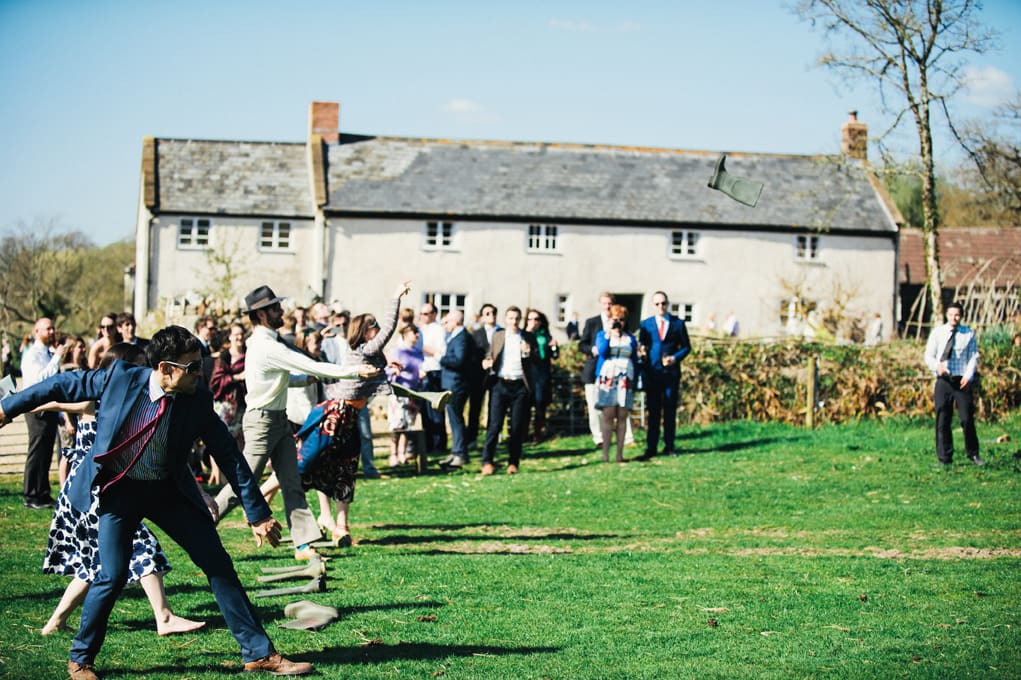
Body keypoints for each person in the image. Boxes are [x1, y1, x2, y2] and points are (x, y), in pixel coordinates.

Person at [0, 325, 312, 679]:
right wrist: (7, 408)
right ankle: (81, 660)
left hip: (168, 493)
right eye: (191, 367)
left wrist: (257, 513)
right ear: (165, 369)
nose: (200, 373)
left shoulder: (196, 399)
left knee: (217, 564)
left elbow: (228, 454)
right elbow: (58, 385)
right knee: (112, 575)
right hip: (120, 492)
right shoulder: (119, 377)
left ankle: (259, 653)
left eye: (200, 366)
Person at [38, 343, 206, 639]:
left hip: (110, 487)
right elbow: (55, 400)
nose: (144, 371)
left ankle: (55, 621)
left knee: (99, 564)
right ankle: (163, 617)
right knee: (141, 548)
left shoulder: (133, 399)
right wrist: (17, 404)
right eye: (139, 364)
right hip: (94, 490)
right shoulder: (99, 398)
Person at [214, 285, 377, 562]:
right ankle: (207, 516)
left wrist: (306, 380)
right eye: (276, 308)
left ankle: (303, 545)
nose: (282, 312)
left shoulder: (268, 342)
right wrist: (353, 372)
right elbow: (308, 364)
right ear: (262, 314)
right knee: (245, 480)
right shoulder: (266, 345)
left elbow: (284, 378)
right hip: (262, 422)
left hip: (278, 420)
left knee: (292, 482)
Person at [319, 281, 416, 544]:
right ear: (364, 331)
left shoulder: (370, 353)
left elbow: (377, 364)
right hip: (335, 414)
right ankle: (323, 516)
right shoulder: (365, 348)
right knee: (317, 465)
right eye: (372, 325)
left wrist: (388, 366)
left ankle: (342, 525)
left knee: (347, 469)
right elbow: (388, 331)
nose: (376, 329)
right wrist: (395, 297)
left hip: (349, 417)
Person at [923, 301, 984, 467]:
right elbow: (928, 355)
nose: (954, 318)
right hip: (944, 380)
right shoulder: (938, 333)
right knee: (943, 418)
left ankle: (973, 454)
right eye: (951, 314)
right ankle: (945, 457)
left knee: (966, 419)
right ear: (946, 315)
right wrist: (937, 366)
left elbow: (973, 356)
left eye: (957, 315)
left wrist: (968, 375)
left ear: (961, 316)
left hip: (961, 381)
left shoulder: (968, 333)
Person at [480, 306, 538, 475]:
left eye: (516, 319)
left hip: (520, 385)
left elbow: (536, 359)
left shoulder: (527, 337)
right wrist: (487, 362)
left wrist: (527, 353)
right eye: (511, 318)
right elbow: (489, 355)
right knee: (494, 425)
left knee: (517, 427)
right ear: (506, 319)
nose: (513, 322)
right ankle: (487, 461)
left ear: (520, 320)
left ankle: (513, 463)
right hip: (500, 384)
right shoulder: (498, 335)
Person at [21, 317, 72, 509]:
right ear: (36, 332)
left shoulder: (47, 353)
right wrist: (58, 358)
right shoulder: (32, 355)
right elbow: (39, 380)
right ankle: (31, 494)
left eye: (52, 328)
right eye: (47, 329)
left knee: (46, 450)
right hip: (36, 409)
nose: (51, 332)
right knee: (37, 450)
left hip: (49, 407)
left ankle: (42, 493)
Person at [637, 291, 691, 460]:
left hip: (670, 374)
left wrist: (675, 358)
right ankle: (651, 447)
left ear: (668, 304)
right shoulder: (646, 325)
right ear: (653, 305)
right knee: (653, 412)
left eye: (663, 303)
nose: (661, 307)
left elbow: (686, 347)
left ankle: (669, 446)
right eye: (657, 304)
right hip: (652, 374)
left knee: (669, 411)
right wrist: (642, 351)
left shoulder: (678, 324)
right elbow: (642, 345)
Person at [579, 293, 635, 450]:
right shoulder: (592, 323)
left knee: (622, 404)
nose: (607, 306)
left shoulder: (622, 323)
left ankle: (627, 437)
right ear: (600, 304)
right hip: (594, 370)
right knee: (594, 406)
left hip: (618, 371)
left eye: (609, 303)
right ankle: (599, 438)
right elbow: (582, 344)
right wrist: (593, 349)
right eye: (604, 303)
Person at [595, 305, 638, 463]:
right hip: (608, 378)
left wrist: (636, 380)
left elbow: (635, 358)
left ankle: (619, 454)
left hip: (625, 379)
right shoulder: (603, 335)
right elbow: (603, 352)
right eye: (615, 319)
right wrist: (609, 333)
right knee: (608, 415)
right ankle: (605, 453)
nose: (619, 323)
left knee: (622, 416)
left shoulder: (630, 338)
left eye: (621, 320)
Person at [208, 322, 248, 484]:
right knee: (222, 440)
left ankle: (237, 475)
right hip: (224, 405)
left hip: (241, 404)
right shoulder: (224, 357)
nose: (239, 337)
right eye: (236, 334)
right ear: (230, 337)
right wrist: (236, 378)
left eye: (241, 334)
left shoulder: (249, 355)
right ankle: (220, 476)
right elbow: (215, 382)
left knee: (240, 441)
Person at [439, 310, 475, 470]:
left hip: (457, 384)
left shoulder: (462, 338)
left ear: (456, 322)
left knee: (456, 418)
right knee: (453, 419)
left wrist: (440, 357)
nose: (445, 325)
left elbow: (459, 360)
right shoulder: (456, 336)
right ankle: (456, 451)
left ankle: (460, 454)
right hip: (452, 383)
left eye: (447, 322)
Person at [386, 324, 424, 466]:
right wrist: (394, 372)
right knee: (396, 425)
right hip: (398, 393)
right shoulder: (397, 351)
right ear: (406, 334)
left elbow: (420, 367)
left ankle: (403, 453)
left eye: (417, 332)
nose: (417, 335)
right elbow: (388, 370)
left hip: (413, 392)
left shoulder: (418, 352)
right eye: (414, 332)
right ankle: (393, 453)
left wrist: (421, 375)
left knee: (408, 425)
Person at [524, 309, 559, 442]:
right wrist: (528, 331)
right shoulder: (524, 335)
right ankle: (523, 433)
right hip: (528, 374)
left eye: (536, 319)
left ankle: (537, 434)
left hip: (542, 375)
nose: (534, 322)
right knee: (525, 406)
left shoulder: (546, 336)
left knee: (540, 405)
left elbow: (554, 356)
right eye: (530, 319)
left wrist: (554, 347)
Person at [467, 303, 499, 450]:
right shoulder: (476, 334)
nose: (491, 315)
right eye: (487, 313)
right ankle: (472, 438)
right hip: (479, 376)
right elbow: (471, 355)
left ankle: (492, 438)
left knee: (495, 408)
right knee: (475, 408)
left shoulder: (502, 332)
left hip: (497, 376)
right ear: (482, 317)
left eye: (493, 312)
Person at [418, 302, 447, 453]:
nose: (423, 317)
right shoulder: (421, 329)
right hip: (422, 371)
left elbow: (439, 352)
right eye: (421, 314)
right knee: (425, 411)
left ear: (434, 314)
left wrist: (419, 346)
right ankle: (428, 443)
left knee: (435, 410)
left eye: (426, 314)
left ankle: (438, 444)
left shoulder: (437, 330)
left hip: (433, 370)